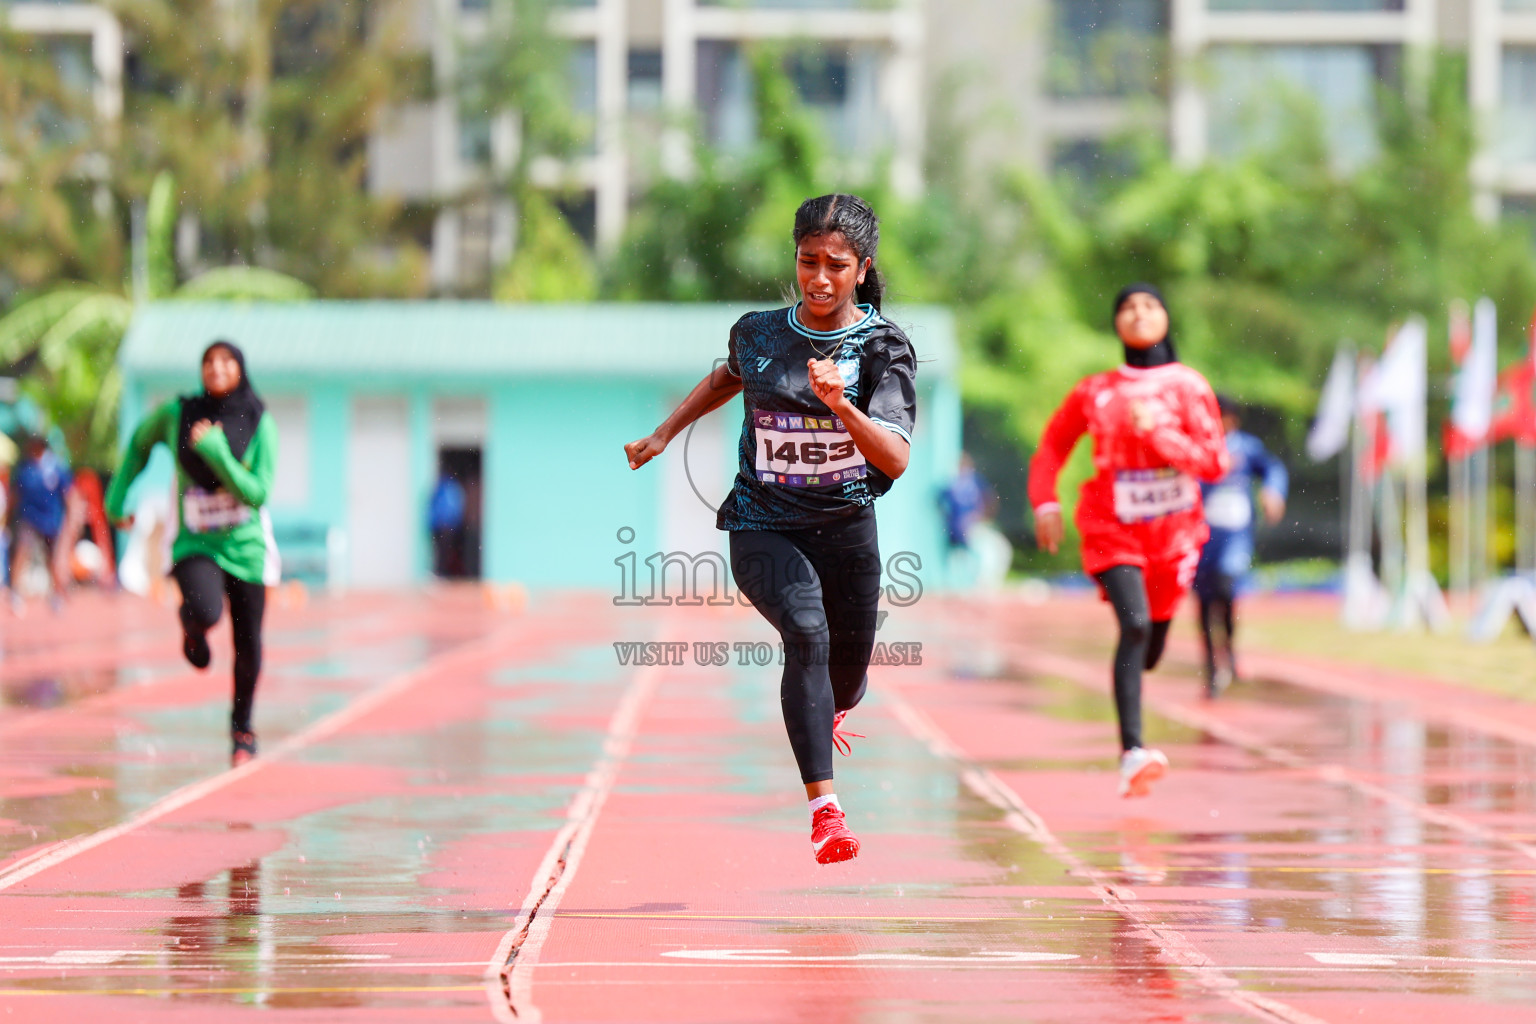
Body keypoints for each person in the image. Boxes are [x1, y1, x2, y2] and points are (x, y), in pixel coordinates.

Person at [624, 194, 916, 864]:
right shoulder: (759, 332)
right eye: (807, 261)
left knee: (844, 676)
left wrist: (840, 405)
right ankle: (826, 812)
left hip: (847, 527)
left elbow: (895, 459)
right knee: (805, 634)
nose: (818, 277)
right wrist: (664, 434)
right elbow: (728, 377)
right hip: (763, 523)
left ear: (863, 269)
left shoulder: (883, 347)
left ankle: (831, 707)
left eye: (835, 266)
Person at [1029, 284, 1229, 798]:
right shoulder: (1096, 390)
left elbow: (1214, 462)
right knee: (1134, 626)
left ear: (1166, 317)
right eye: (1127, 307)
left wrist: (1160, 435)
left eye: (1149, 305)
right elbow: (1053, 445)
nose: (1138, 314)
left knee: (1151, 647)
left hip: (1174, 534)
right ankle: (1132, 752)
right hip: (1110, 525)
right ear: (1116, 324)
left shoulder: (1188, 387)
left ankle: (1129, 692)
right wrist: (1046, 502)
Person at [106, 341, 279, 766]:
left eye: (226, 361)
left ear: (241, 368)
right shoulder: (177, 414)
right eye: (208, 361)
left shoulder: (260, 422)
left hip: (245, 545)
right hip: (194, 542)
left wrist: (218, 452)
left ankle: (242, 731)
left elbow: (257, 493)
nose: (216, 368)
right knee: (206, 610)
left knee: (249, 644)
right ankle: (193, 625)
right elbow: (139, 445)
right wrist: (116, 497)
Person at [1194, 395, 1288, 698]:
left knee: (1225, 587)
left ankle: (1230, 651)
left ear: (1231, 420)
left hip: (1235, 536)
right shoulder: (1195, 448)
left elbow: (1273, 468)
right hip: (1202, 535)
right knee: (1204, 601)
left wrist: (1273, 491)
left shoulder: (1247, 448)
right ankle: (1211, 667)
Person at [10, 433, 73, 611]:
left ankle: (55, 595)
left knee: (51, 559)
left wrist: (70, 521)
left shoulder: (55, 468)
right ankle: (16, 594)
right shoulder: (25, 468)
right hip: (28, 519)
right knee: (22, 553)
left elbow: (68, 494)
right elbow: (15, 494)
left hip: (50, 521)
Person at [428, 473, 467, 577]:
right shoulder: (451, 489)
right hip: (445, 527)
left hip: (444, 527)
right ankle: (440, 573)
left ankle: (442, 573)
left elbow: (441, 508)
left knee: (443, 552)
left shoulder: (446, 488)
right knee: (442, 552)